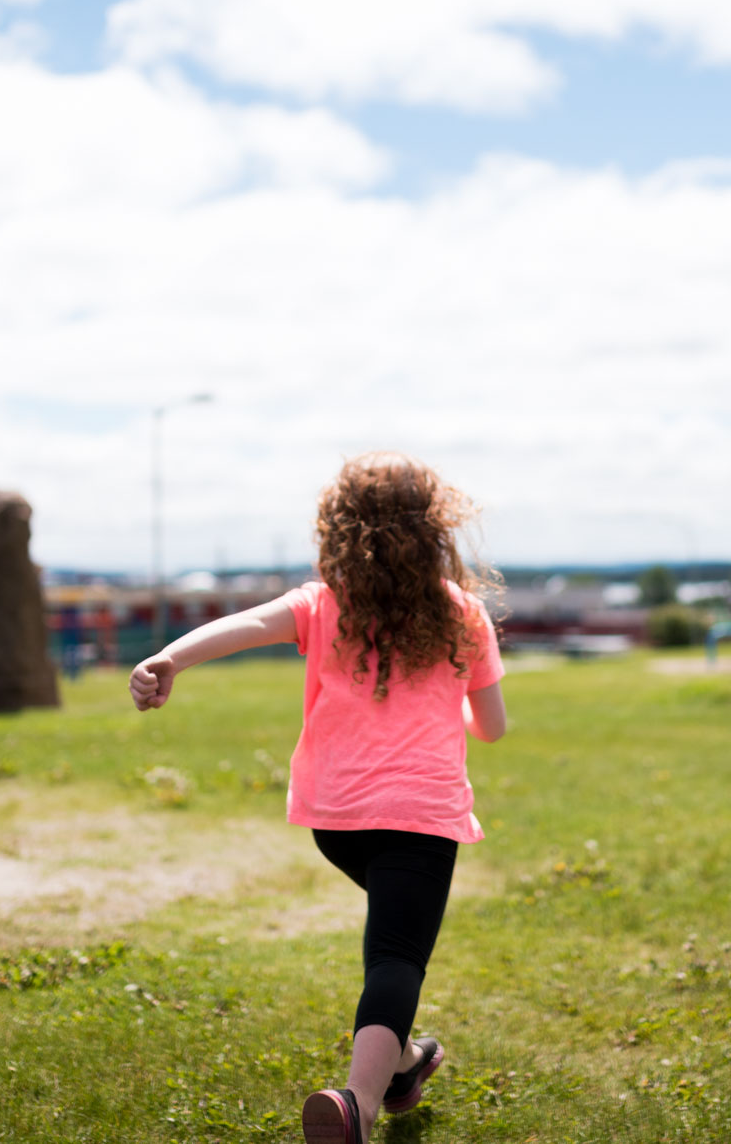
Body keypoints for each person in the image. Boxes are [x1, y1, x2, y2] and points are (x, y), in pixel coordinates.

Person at [130, 453, 508, 1144]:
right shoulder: (465, 615)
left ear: (340, 529)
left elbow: (245, 626)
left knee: (391, 938)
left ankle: (404, 1064)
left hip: (335, 821)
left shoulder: (323, 603)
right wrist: (449, 705)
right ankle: (358, 1104)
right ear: (435, 528)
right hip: (419, 817)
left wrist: (168, 659)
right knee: (396, 957)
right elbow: (493, 726)